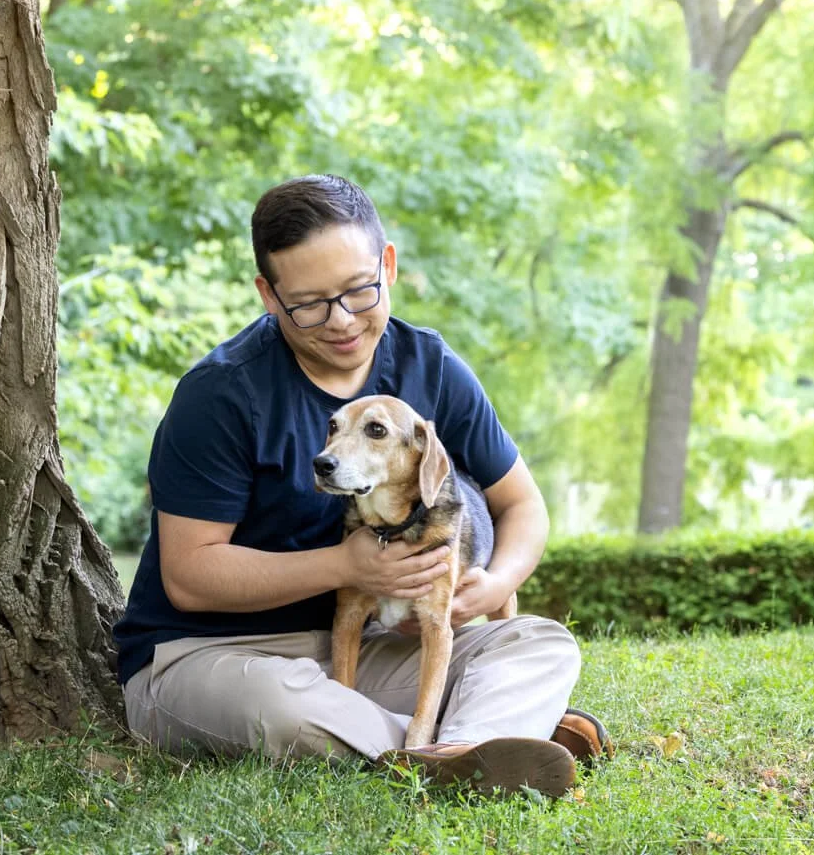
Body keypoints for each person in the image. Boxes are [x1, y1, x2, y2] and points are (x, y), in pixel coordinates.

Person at [113, 174, 610, 796]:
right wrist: (347, 566)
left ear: (388, 265)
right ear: (269, 295)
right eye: (309, 304)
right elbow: (189, 578)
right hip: (212, 657)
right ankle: (476, 740)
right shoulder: (221, 395)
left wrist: (495, 584)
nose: (341, 320)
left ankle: (460, 745)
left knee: (540, 641)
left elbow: (522, 505)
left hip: (354, 651)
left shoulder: (431, 367)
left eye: (359, 290)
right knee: (286, 704)